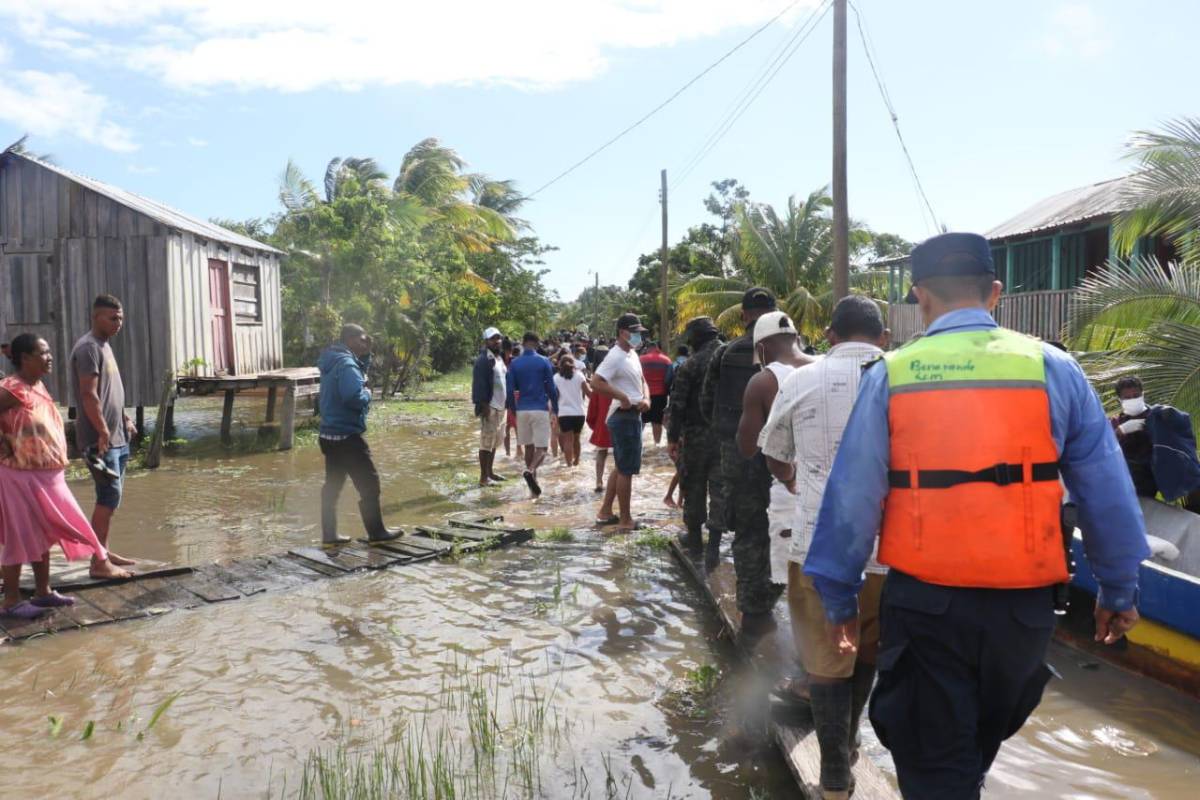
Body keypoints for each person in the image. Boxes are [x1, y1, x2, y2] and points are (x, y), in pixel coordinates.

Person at [805, 233, 1149, 799]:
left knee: (938, 767)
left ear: (921, 298)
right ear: (995, 293)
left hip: (926, 607)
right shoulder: (1054, 369)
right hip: (1024, 615)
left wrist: (839, 599)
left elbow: (853, 500)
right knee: (970, 755)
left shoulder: (892, 374)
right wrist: (1119, 588)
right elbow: (1107, 491)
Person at [760, 296, 889, 798]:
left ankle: (835, 772)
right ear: (882, 338)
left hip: (818, 543)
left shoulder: (802, 380)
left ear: (831, 336)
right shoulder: (898, 378)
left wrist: (795, 480)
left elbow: (773, 450)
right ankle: (852, 743)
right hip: (888, 546)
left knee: (823, 656)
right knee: (867, 650)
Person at [1, 334, 130, 619]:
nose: (50, 357)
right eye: (43, 353)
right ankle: (10, 600)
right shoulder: (11, 388)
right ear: (25, 358)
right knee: (20, 535)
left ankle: (43, 591)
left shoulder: (37, 386)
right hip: (19, 474)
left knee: (44, 532)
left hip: (47, 474)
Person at [701, 287, 790, 634]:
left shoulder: (724, 353)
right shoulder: (795, 352)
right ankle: (776, 594)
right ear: (776, 311)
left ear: (743, 315)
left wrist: (725, 440)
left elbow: (707, 404)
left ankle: (752, 605)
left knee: (748, 526)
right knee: (785, 523)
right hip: (784, 451)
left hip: (738, 451)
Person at [735, 311, 813, 607]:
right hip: (840, 491)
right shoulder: (827, 366)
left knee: (793, 581)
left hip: (789, 489)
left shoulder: (764, 381)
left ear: (762, 348)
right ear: (796, 338)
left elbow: (748, 446)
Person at [69, 294, 138, 577]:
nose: (118, 322)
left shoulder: (104, 346)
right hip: (98, 441)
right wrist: (103, 431)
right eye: (113, 317)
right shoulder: (88, 348)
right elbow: (88, 394)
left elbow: (110, 393)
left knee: (112, 496)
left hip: (117, 437)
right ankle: (98, 563)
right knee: (108, 496)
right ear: (96, 317)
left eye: (120, 317)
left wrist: (124, 418)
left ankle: (104, 551)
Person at [317, 324, 403, 545]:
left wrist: (366, 355)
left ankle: (329, 535)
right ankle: (376, 533)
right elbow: (353, 396)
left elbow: (357, 371)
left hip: (329, 434)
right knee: (370, 484)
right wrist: (367, 393)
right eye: (363, 340)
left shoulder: (333, 359)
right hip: (347, 436)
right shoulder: (346, 364)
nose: (366, 343)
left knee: (333, 486)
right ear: (351, 339)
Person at [667, 316, 726, 568]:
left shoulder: (690, 364)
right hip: (726, 436)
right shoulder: (730, 357)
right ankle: (714, 544)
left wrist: (672, 438)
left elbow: (677, 405)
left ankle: (693, 540)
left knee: (693, 485)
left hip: (696, 435)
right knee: (719, 489)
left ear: (694, 338)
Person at [593, 313, 651, 531]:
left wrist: (646, 397)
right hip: (623, 416)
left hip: (633, 414)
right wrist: (623, 397)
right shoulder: (615, 356)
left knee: (621, 467)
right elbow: (596, 382)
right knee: (626, 470)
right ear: (622, 332)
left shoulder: (632, 354)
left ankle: (606, 511)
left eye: (639, 332)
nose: (637, 336)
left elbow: (642, 381)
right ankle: (625, 520)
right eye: (634, 332)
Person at [1111, 375, 1200, 506]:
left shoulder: (1159, 415)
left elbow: (1183, 436)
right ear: (1120, 400)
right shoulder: (1115, 423)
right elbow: (1103, 450)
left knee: (1195, 481)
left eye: (1136, 396)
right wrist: (1119, 431)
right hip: (1138, 478)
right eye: (1127, 397)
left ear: (1142, 394)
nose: (1132, 399)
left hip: (1166, 468)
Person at [507, 332, 558, 497]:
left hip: (522, 408)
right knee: (542, 448)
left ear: (523, 343)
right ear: (536, 344)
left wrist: (513, 408)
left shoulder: (514, 364)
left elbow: (510, 389)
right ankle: (530, 470)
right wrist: (555, 408)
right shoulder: (544, 362)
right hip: (539, 408)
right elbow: (551, 388)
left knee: (528, 446)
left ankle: (532, 487)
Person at [471, 327, 509, 487]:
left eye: (498, 338)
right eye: (493, 339)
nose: (497, 341)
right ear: (486, 341)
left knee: (495, 442)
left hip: (501, 407)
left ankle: (490, 472)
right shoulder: (483, 360)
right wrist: (483, 405)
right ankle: (483, 478)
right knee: (486, 443)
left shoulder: (499, 358)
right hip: (490, 406)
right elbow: (478, 385)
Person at [553, 354, 591, 467]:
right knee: (577, 439)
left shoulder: (556, 378)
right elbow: (589, 393)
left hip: (564, 413)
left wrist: (552, 412)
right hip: (579, 412)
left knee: (568, 440)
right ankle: (577, 462)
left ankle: (569, 465)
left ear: (560, 365)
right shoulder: (579, 376)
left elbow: (555, 396)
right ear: (573, 364)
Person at [586, 347, 614, 493]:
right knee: (620, 455)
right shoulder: (618, 377)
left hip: (603, 423)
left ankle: (599, 481)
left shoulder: (597, 381)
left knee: (601, 453)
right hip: (620, 420)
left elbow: (592, 409)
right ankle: (617, 483)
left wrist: (595, 425)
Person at [639, 340, 674, 445]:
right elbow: (668, 380)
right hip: (660, 395)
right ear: (658, 348)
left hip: (643, 395)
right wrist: (668, 393)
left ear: (648, 348)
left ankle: (637, 443)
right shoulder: (667, 360)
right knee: (657, 422)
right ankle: (656, 444)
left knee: (641, 421)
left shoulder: (640, 359)